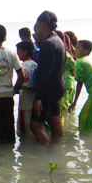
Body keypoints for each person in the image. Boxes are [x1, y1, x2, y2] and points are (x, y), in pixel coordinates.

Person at [29, 11, 66, 146]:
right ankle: (58, 150)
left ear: (43, 24)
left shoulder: (48, 44)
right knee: (54, 120)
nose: (36, 27)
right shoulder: (58, 41)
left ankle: (47, 154)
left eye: (37, 24)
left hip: (49, 89)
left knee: (35, 126)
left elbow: (44, 73)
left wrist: (39, 97)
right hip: (58, 87)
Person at [16, 41, 38, 137]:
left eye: (18, 51)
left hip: (24, 103)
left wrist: (14, 89)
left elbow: (22, 81)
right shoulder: (35, 64)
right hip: (34, 102)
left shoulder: (23, 66)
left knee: (23, 131)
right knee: (34, 129)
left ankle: (24, 149)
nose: (17, 53)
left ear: (25, 52)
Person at [56, 31, 77, 110]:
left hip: (64, 82)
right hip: (71, 83)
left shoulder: (62, 51)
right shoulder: (72, 52)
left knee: (62, 111)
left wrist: (58, 71)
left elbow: (72, 63)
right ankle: (70, 122)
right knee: (69, 109)